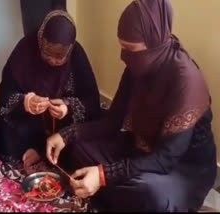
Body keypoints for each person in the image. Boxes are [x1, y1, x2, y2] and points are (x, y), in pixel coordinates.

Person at [46, 0, 216, 212]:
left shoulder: (186, 81)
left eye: (130, 49)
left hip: (182, 168)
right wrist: (66, 135)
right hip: (142, 150)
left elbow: (164, 160)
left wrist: (103, 175)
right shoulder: (139, 65)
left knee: (151, 194)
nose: (123, 56)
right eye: (122, 47)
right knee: (78, 148)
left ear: (154, 42)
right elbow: (112, 122)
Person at [0, 10, 100, 167]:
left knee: (90, 131)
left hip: (61, 127)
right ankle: (32, 150)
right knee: (1, 125)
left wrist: (67, 107)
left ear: (70, 49)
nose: (53, 61)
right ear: (40, 41)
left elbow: (92, 101)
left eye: (60, 57)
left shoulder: (77, 55)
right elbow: (5, 97)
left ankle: (45, 153)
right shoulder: (25, 49)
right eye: (47, 54)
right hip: (28, 123)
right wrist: (26, 102)